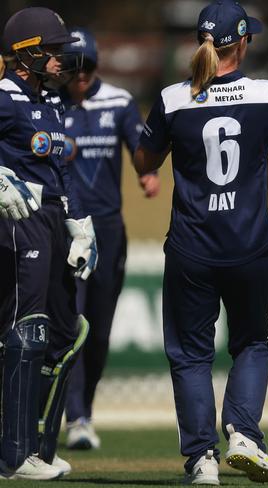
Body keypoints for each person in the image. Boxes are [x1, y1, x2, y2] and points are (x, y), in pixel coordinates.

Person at [134, 0, 268, 484]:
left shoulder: (171, 99)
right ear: (243, 42)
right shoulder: (266, 93)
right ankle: (243, 433)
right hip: (249, 246)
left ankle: (201, 459)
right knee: (250, 342)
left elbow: (145, 162)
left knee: (190, 354)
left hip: (191, 246)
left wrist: (161, 153)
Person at [0, 7, 97, 480]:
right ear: (28, 53)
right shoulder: (3, 96)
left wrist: (80, 220)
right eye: (54, 51)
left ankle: (40, 444)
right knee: (27, 326)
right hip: (19, 220)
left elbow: (62, 169)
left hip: (55, 219)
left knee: (67, 333)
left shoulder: (53, 102)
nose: (62, 60)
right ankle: (15, 455)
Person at [59, 27, 160, 451]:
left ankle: (86, 408)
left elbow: (139, 148)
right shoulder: (47, 103)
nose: (81, 75)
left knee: (98, 331)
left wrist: (147, 173)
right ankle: (74, 417)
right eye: (73, 67)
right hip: (62, 227)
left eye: (89, 66)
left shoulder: (118, 102)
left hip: (108, 230)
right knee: (70, 324)